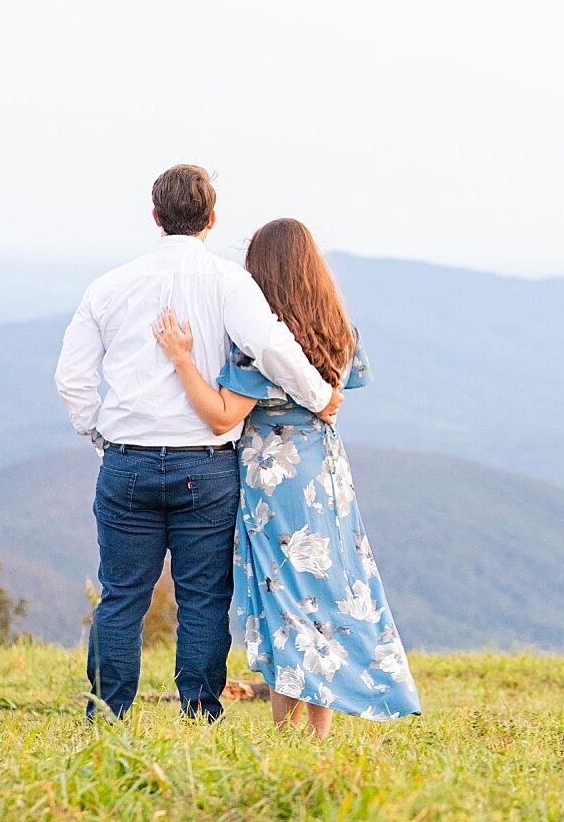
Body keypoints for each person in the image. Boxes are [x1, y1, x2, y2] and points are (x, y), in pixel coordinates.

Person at [54, 165, 343, 721]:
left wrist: (102, 438)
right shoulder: (229, 283)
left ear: (156, 219)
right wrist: (319, 395)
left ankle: (107, 717)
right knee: (204, 601)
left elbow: (72, 380)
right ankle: (200, 718)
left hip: (127, 462)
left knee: (121, 598)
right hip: (206, 467)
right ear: (211, 219)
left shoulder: (108, 286)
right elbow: (273, 349)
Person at [152, 217, 421, 736]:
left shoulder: (261, 343)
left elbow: (222, 414)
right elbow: (346, 386)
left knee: (285, 600)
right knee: (324, 596)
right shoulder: (337, 328)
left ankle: (286, 734)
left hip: (273, 478)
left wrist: (182, 360)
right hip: (326, 475)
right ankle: (316, 737)